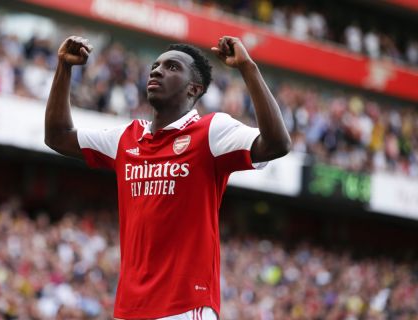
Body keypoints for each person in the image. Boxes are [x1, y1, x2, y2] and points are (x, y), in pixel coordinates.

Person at [45, 35, 291, 320]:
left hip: (184, 307)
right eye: (156, 65)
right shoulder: (126, 138)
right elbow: (57, 136)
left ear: (194, 89)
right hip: (129, 308)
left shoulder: (211, 131)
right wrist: (63, 67)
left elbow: (276, 144)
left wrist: (248, 68)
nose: (157, 70)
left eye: (172, 67)